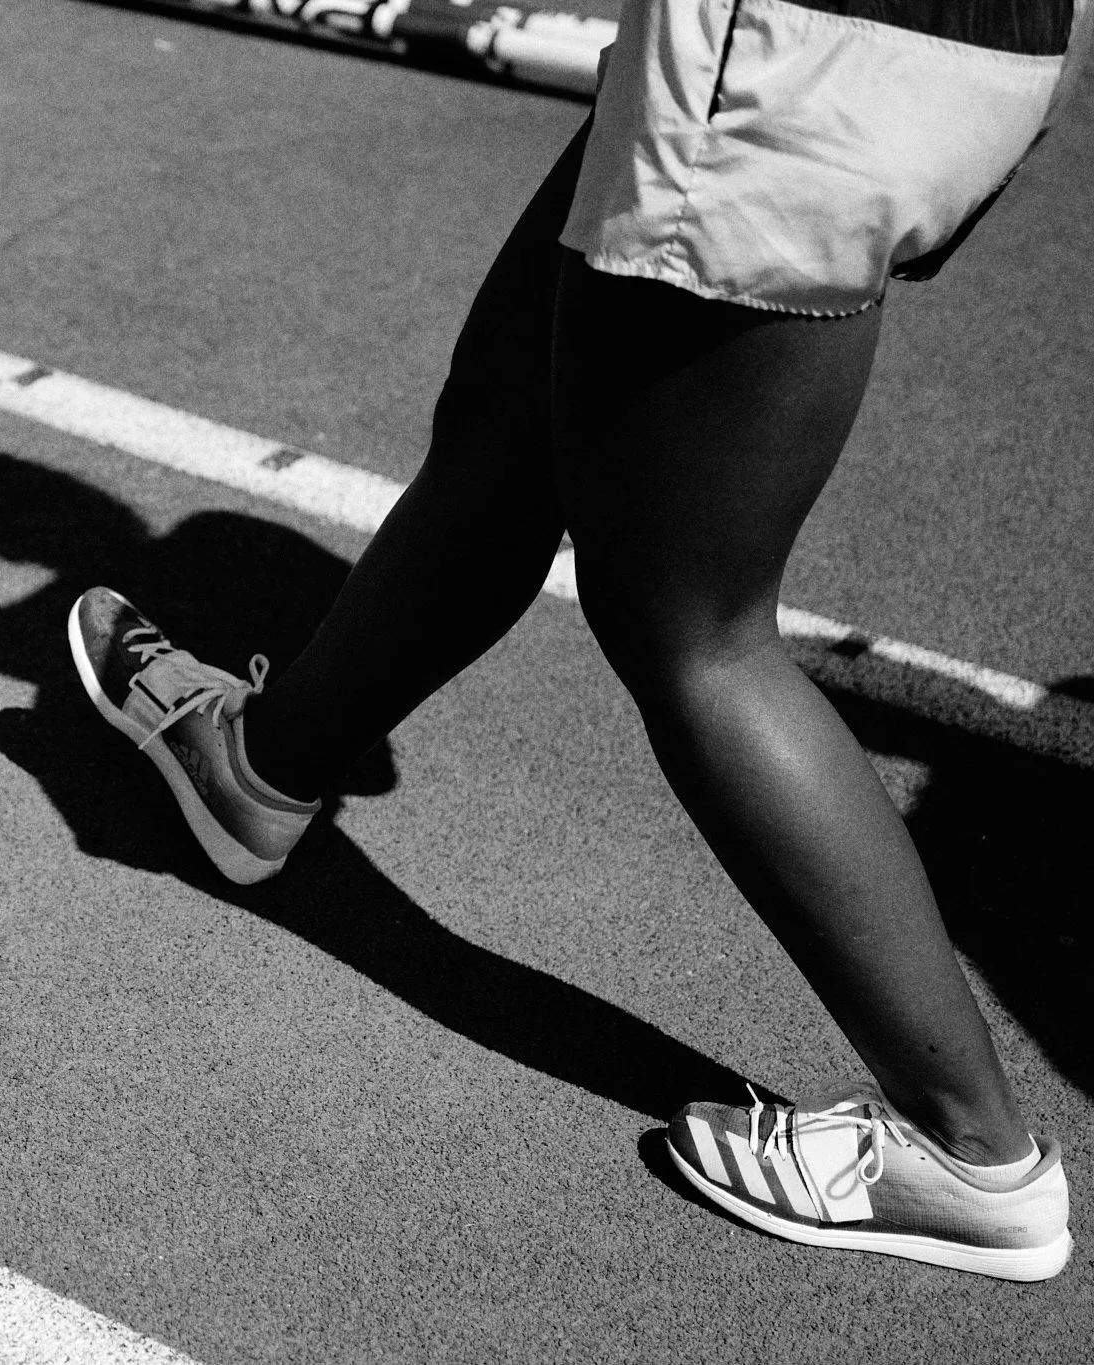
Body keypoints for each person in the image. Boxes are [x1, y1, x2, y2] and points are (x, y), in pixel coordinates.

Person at [69, 0, 1085, 1280]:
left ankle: (970, 1154)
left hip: (772, 51)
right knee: (505, 425)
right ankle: (257, 771)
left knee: (689, 630)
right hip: (979, 46)